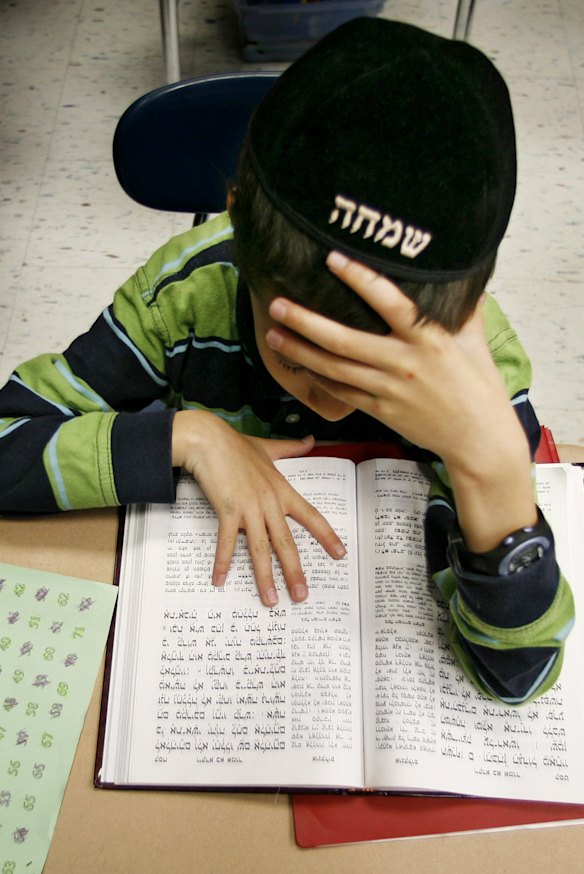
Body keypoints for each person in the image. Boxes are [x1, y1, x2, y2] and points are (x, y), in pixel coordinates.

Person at [0, 18, 574, 704]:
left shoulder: (474, 370)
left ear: (467, 305)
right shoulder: (184, 297)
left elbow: (517, 677)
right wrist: (189, 434)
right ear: (237, 225)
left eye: (378, 379)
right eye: (303, 362)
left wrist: (496, 473)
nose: (334, 403)